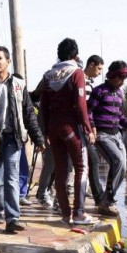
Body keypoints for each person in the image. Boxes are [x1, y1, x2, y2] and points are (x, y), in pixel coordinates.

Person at [0, 46, 45, 233]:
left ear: (8, 61)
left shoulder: (18, 84)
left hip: (13, 138)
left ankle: (12, 217)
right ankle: (0, 209)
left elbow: (28, 113)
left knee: (11, 178)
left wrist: (38, 138)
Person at [39, 38, 96, 225]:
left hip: (53, 130)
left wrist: (45, 132)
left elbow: (44, 106)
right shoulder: (76, 73)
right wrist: (88, 129)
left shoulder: (48, 75)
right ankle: (79, 213)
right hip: (71, 129)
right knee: (82, 168)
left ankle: (65, 213)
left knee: (61, 171)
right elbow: (81, 106)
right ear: (75, 55)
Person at [86, 60, 127, 216]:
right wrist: (93, 127)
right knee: (117, 161)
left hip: (117, 134)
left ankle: (106, 199)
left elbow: (119, 116)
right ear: (112, 76)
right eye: (120, 78)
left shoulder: (120, 93)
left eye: (124, 78)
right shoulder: (99, 91)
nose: (122, 82)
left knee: (123, 167)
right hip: (102, 135)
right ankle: (108, 201)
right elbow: (88, 110)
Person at [84, 54, 105, 204]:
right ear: (91, 65)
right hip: (81, 129)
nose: (99, 72)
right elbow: (85, 110)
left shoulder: (89, 84)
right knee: (93, 161)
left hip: (84, 129)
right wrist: (91, 128)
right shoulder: (82, 83)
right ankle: (99, 196)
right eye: (98, 68)